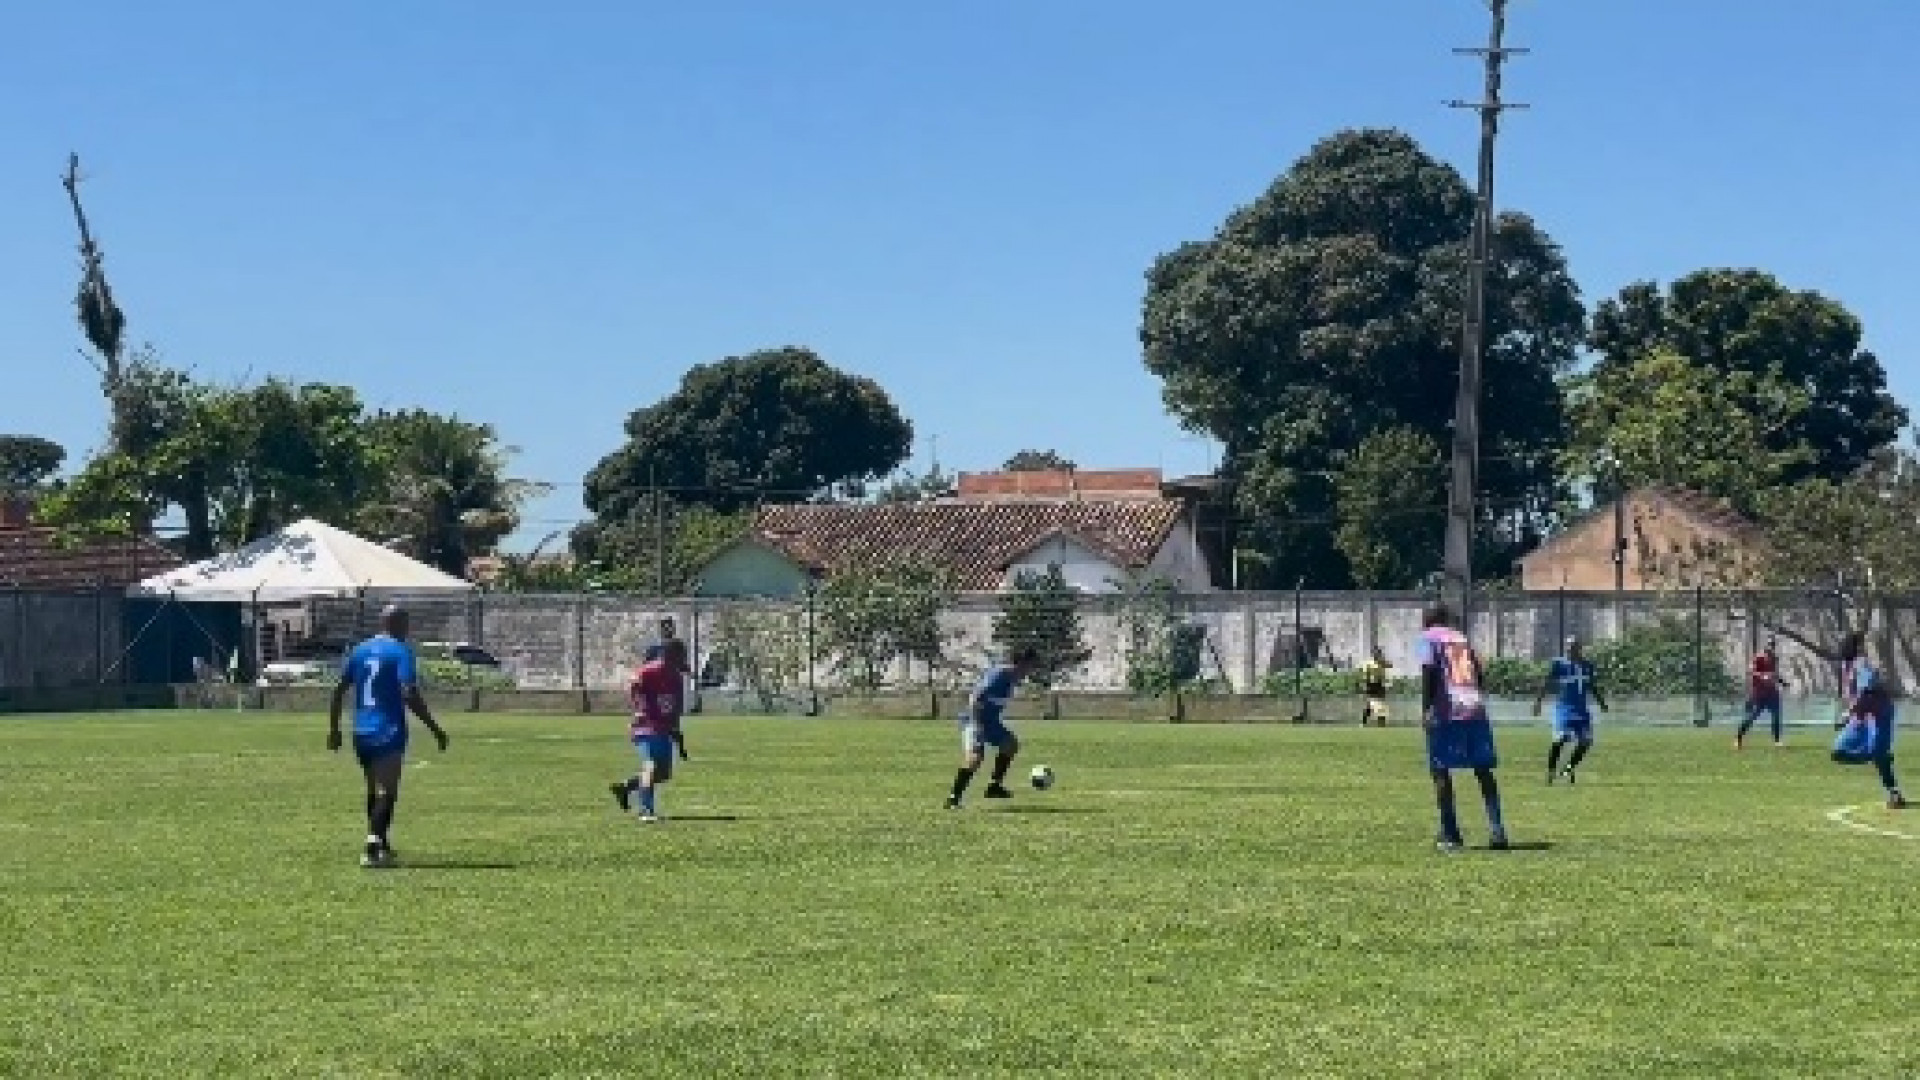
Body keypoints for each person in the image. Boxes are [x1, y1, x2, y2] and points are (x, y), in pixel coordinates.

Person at [328, 605, 449, 868]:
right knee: (387, 792)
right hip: (387, 730)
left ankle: (382, 844)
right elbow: (409, 693)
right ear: (397, 624)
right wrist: (434, 727)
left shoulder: (360, 650)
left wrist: (334, 729)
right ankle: (372, 847)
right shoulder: (400, 651)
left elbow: (338, 690)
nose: (408, 630)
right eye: (406, 624)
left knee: (373, 788)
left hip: (361, 731)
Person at [1416, 604, 1509, 852]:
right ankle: (1497, 830)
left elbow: (1429, 670)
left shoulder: (1428, 638)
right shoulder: (1461, 638)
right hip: (1474, 708)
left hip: (1447, 711)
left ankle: (1450, 834)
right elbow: (1479, 671)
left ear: (1429, 619)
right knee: (1483, 771)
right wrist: (1475, 695)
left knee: (1440, 770)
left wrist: (1426, 708)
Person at [947, 645, 1040, 809]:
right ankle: (953, 798)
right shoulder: (999, 675)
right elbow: (975, 698)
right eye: (1031, 666)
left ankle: (994, 787)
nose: (1031, 671)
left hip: (991, 722)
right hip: (974, 719)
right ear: (1021, 663)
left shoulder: (1012, 678)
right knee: (975, 758)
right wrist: (977, 726)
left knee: (1010, 744)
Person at [612, 638, 689, 822]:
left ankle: (625, 787)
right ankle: (646, 811)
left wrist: (678, 737)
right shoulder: (650, 671)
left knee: (663, 774)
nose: (681, 661)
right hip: (645, 726)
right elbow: (633, 684)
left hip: (663, 729)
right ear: (668, 655)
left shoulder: (676, 678)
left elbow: (676, 708)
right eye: (679, 657)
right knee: (651, 765)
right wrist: (639, 708)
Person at [1832, 631, 1906, 810]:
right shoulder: (1845, 666)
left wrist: (1848, 713)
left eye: (1846, 643)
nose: (1842, 646)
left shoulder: (1861, 664)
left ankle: (1894, 792)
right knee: (1839, 752)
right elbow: (1851, 694)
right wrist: (1851, 713)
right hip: (1860, 717)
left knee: (1879, 755)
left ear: (1855, 647)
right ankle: (1879, 755)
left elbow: (1866, 691)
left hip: (1879, 715)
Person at [1534, 636, 1608, 785]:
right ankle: (1551, 771)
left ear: (1579, 648)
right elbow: (1546, 683)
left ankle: (1569, 769)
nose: (1570, 649)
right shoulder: (1558, 664)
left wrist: (1601, 703)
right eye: (1568, 647)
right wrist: (1538, 702)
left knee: (1586, 741)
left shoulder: (1587, 665)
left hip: (1581, 710)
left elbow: (1591, 685)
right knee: (1561, 738)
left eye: (1573, 647)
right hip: (1564, 709)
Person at [1737, 638, 1790, 749]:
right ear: (1766, 646)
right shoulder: (1758, 657)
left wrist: (1783, 682)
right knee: (1752, 717)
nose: (1772, 647)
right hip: (1759, 694)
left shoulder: (1775, 659)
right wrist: (1762, 675)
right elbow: (1751, 671)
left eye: (1773, 645)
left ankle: (1777, 741)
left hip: (1772, 693)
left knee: (1776, 716)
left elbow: (1774, 674)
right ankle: (1738, 738)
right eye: (1770, 645)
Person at [1359, 646, 1391, 727]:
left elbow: (1390, 665)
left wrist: (1383, 662)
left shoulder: (1382, 662)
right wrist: (1364, 684)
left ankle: (1381, 723)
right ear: (1373, 654)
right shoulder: (1369, 663)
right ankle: (1363, 722)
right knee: (1369, 705)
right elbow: (1365, 674)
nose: (1377, 655)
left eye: (1379, 653)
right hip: (1371, 685)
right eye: (1376, 653)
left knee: (1381, 704)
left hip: (1380, 685)